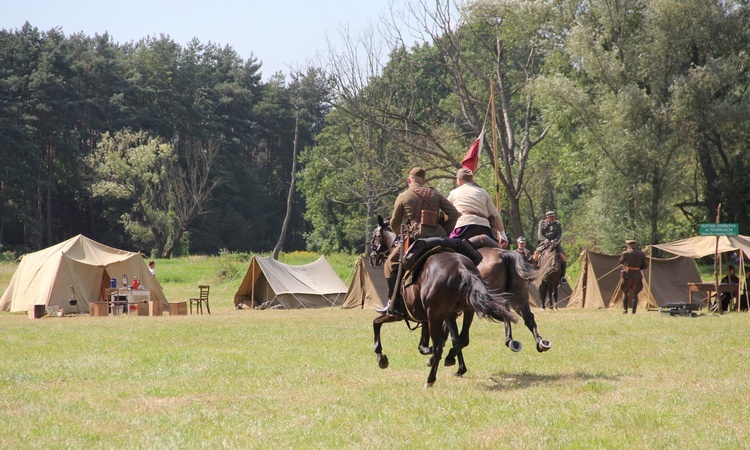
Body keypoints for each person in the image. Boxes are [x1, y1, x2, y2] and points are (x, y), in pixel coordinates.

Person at [377, 167, 460, 317]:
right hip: (439, 237)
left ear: (409, 180)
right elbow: (454, 214)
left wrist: (400, 236)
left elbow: (395, 222)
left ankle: (393, 304)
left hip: (416, 238)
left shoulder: (403, 196)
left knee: (390, 264)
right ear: (424, 181)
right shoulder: (435, 193)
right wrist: (446, 232)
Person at [447, 168, 508, 245]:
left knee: (450, 247)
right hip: (484, 227)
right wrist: (503, 235)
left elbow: (446, 212)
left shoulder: (453, 193)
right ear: (472, 180)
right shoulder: (483, 192)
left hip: (463, 226)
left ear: (459, 180)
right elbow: (495, 215)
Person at [535, 211, 567, 282]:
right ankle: (536, 274)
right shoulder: (542, 223)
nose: (553, 218)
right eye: (551, 216)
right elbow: (540, 234)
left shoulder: (558, 224)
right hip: (543, 244)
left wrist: (554, 241)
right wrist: (546, 241)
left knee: (564, 258)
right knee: (535, 257)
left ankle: (562, 277)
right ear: (547, 217)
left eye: (553, 216)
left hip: (555, 244)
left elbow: (559, 235)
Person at [619, 239, 649, 314]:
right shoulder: (641, 254)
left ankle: (625, 310)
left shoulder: (625, 253)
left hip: (628, 275)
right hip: (637, 275)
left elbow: (621, 262)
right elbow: (645, 266)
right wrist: (638, 268)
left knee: (625, 292)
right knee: (635, 294)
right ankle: (633, 312)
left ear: (628, 246)